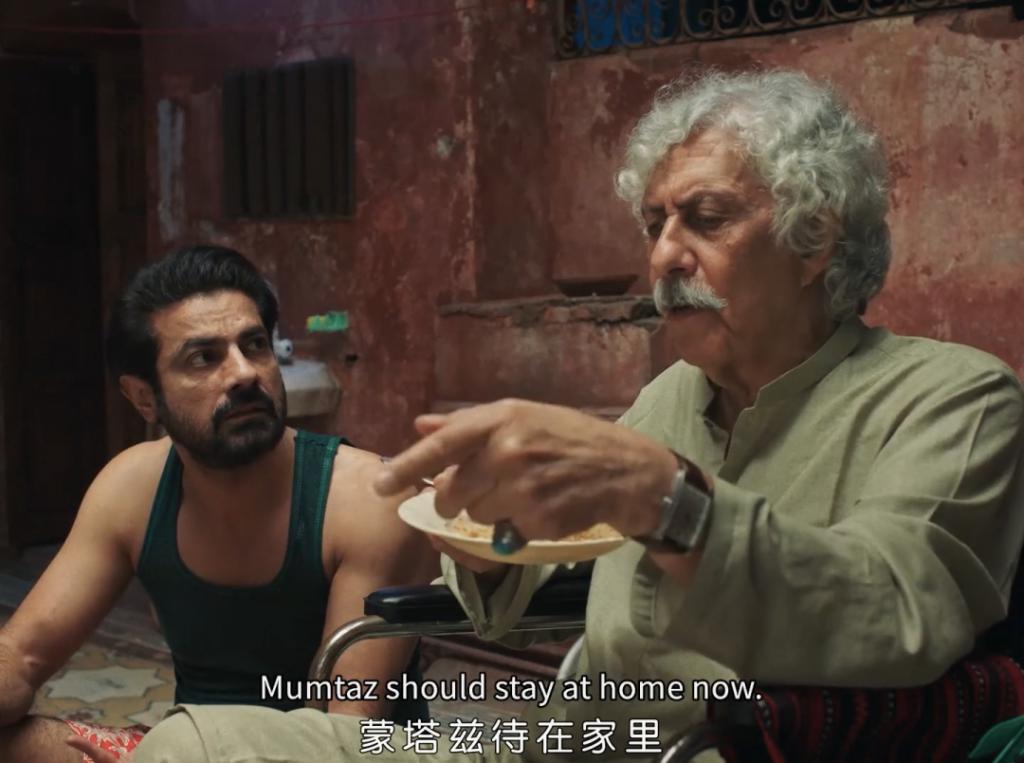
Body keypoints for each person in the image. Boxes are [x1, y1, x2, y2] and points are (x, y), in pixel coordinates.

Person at [128, 69, 1024, 763]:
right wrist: (487, 543)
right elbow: (554, 571)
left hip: (703, 747)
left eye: (705, 219)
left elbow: (896, 612)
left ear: (813, 237)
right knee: (194, 744)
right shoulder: (671, 397)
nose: (664, 255)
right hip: (565, 738)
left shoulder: (954, 397)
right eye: (655, 222)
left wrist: (666, 499)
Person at [0, 245, 438, 763]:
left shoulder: (369, 498)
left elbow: (340, 738)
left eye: (254, 345)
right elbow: (20, 656)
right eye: (203, 358)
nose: (244, 373)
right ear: (144, 397)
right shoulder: (130, 488)